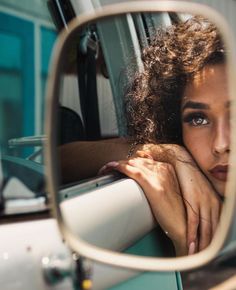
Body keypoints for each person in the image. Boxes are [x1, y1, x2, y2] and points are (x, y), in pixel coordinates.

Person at [59, 17, 228, 256]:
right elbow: (60, 160)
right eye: (198, 119)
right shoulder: (177, 156)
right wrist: (168, 153)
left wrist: (185, 244)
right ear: (174, 123)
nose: (220, 144)